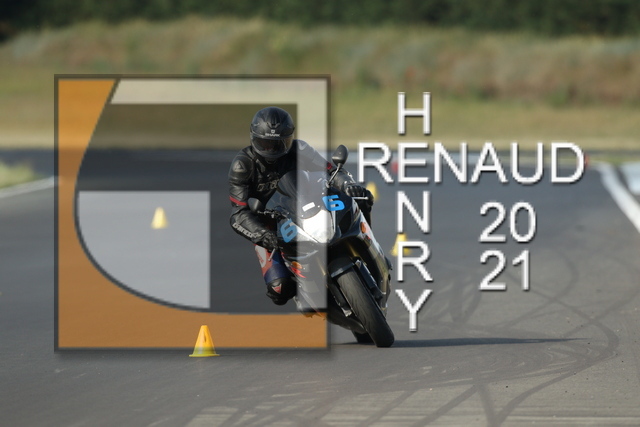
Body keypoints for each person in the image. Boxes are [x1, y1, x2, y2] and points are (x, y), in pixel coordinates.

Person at [228, 106, 373, 305]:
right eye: (266, 144)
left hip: (310, 204)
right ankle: (307, 294)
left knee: (362, 197)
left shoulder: (300, 149)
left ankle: (369, 245)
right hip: (272, 224)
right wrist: (262, 235)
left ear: (290, 139)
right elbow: (238, 214)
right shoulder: (242, 166)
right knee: (279, 289)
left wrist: (348, 184)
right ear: (254, 139)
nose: (272, 151)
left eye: (279, 144)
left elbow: (331, 171)